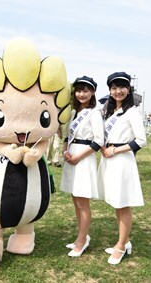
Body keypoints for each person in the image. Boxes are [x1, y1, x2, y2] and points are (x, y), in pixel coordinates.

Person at [98, 71, 147, 265]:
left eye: (122, 87)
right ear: (110, 90)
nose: (118, 91)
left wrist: (115, 151)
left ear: (128, 89)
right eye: (114, 87)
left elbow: (141, 140)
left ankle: (120, 246)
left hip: (121, 161)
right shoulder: (109, 111)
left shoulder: (132, 111)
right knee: (116, 204)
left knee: (122, 204)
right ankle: (125, 242)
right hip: (109, 160)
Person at [60, 76, 104, 257]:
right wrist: (65, 151)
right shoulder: (72, 113)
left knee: (83, 202)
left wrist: (78, 156)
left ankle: (82, 240)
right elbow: (67, 136)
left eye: (85, 90)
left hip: (84, 158)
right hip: (71, 157)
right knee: (75, 200)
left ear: (92, 92)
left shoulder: (95, 113)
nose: (81, 94)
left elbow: (99, 140)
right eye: (78, 90)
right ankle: (81, 236)